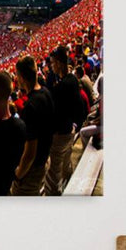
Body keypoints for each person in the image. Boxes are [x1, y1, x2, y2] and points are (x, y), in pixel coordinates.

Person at [11, 55, 55, 196]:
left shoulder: (30, 106)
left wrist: (18, 174)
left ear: (22, 77)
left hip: (32, 170)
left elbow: (30, 152)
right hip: (44, 159)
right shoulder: (46, 92)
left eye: (17, 76)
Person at [45, 46, 87, 196]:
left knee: (53, 172)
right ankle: (69, 186)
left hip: (61, 133)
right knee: (66, 164)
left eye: (53, 63)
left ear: (60, 63)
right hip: (69, 129)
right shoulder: (72, 80)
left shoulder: (63, 85)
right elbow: (79, 107)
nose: (51, 66)